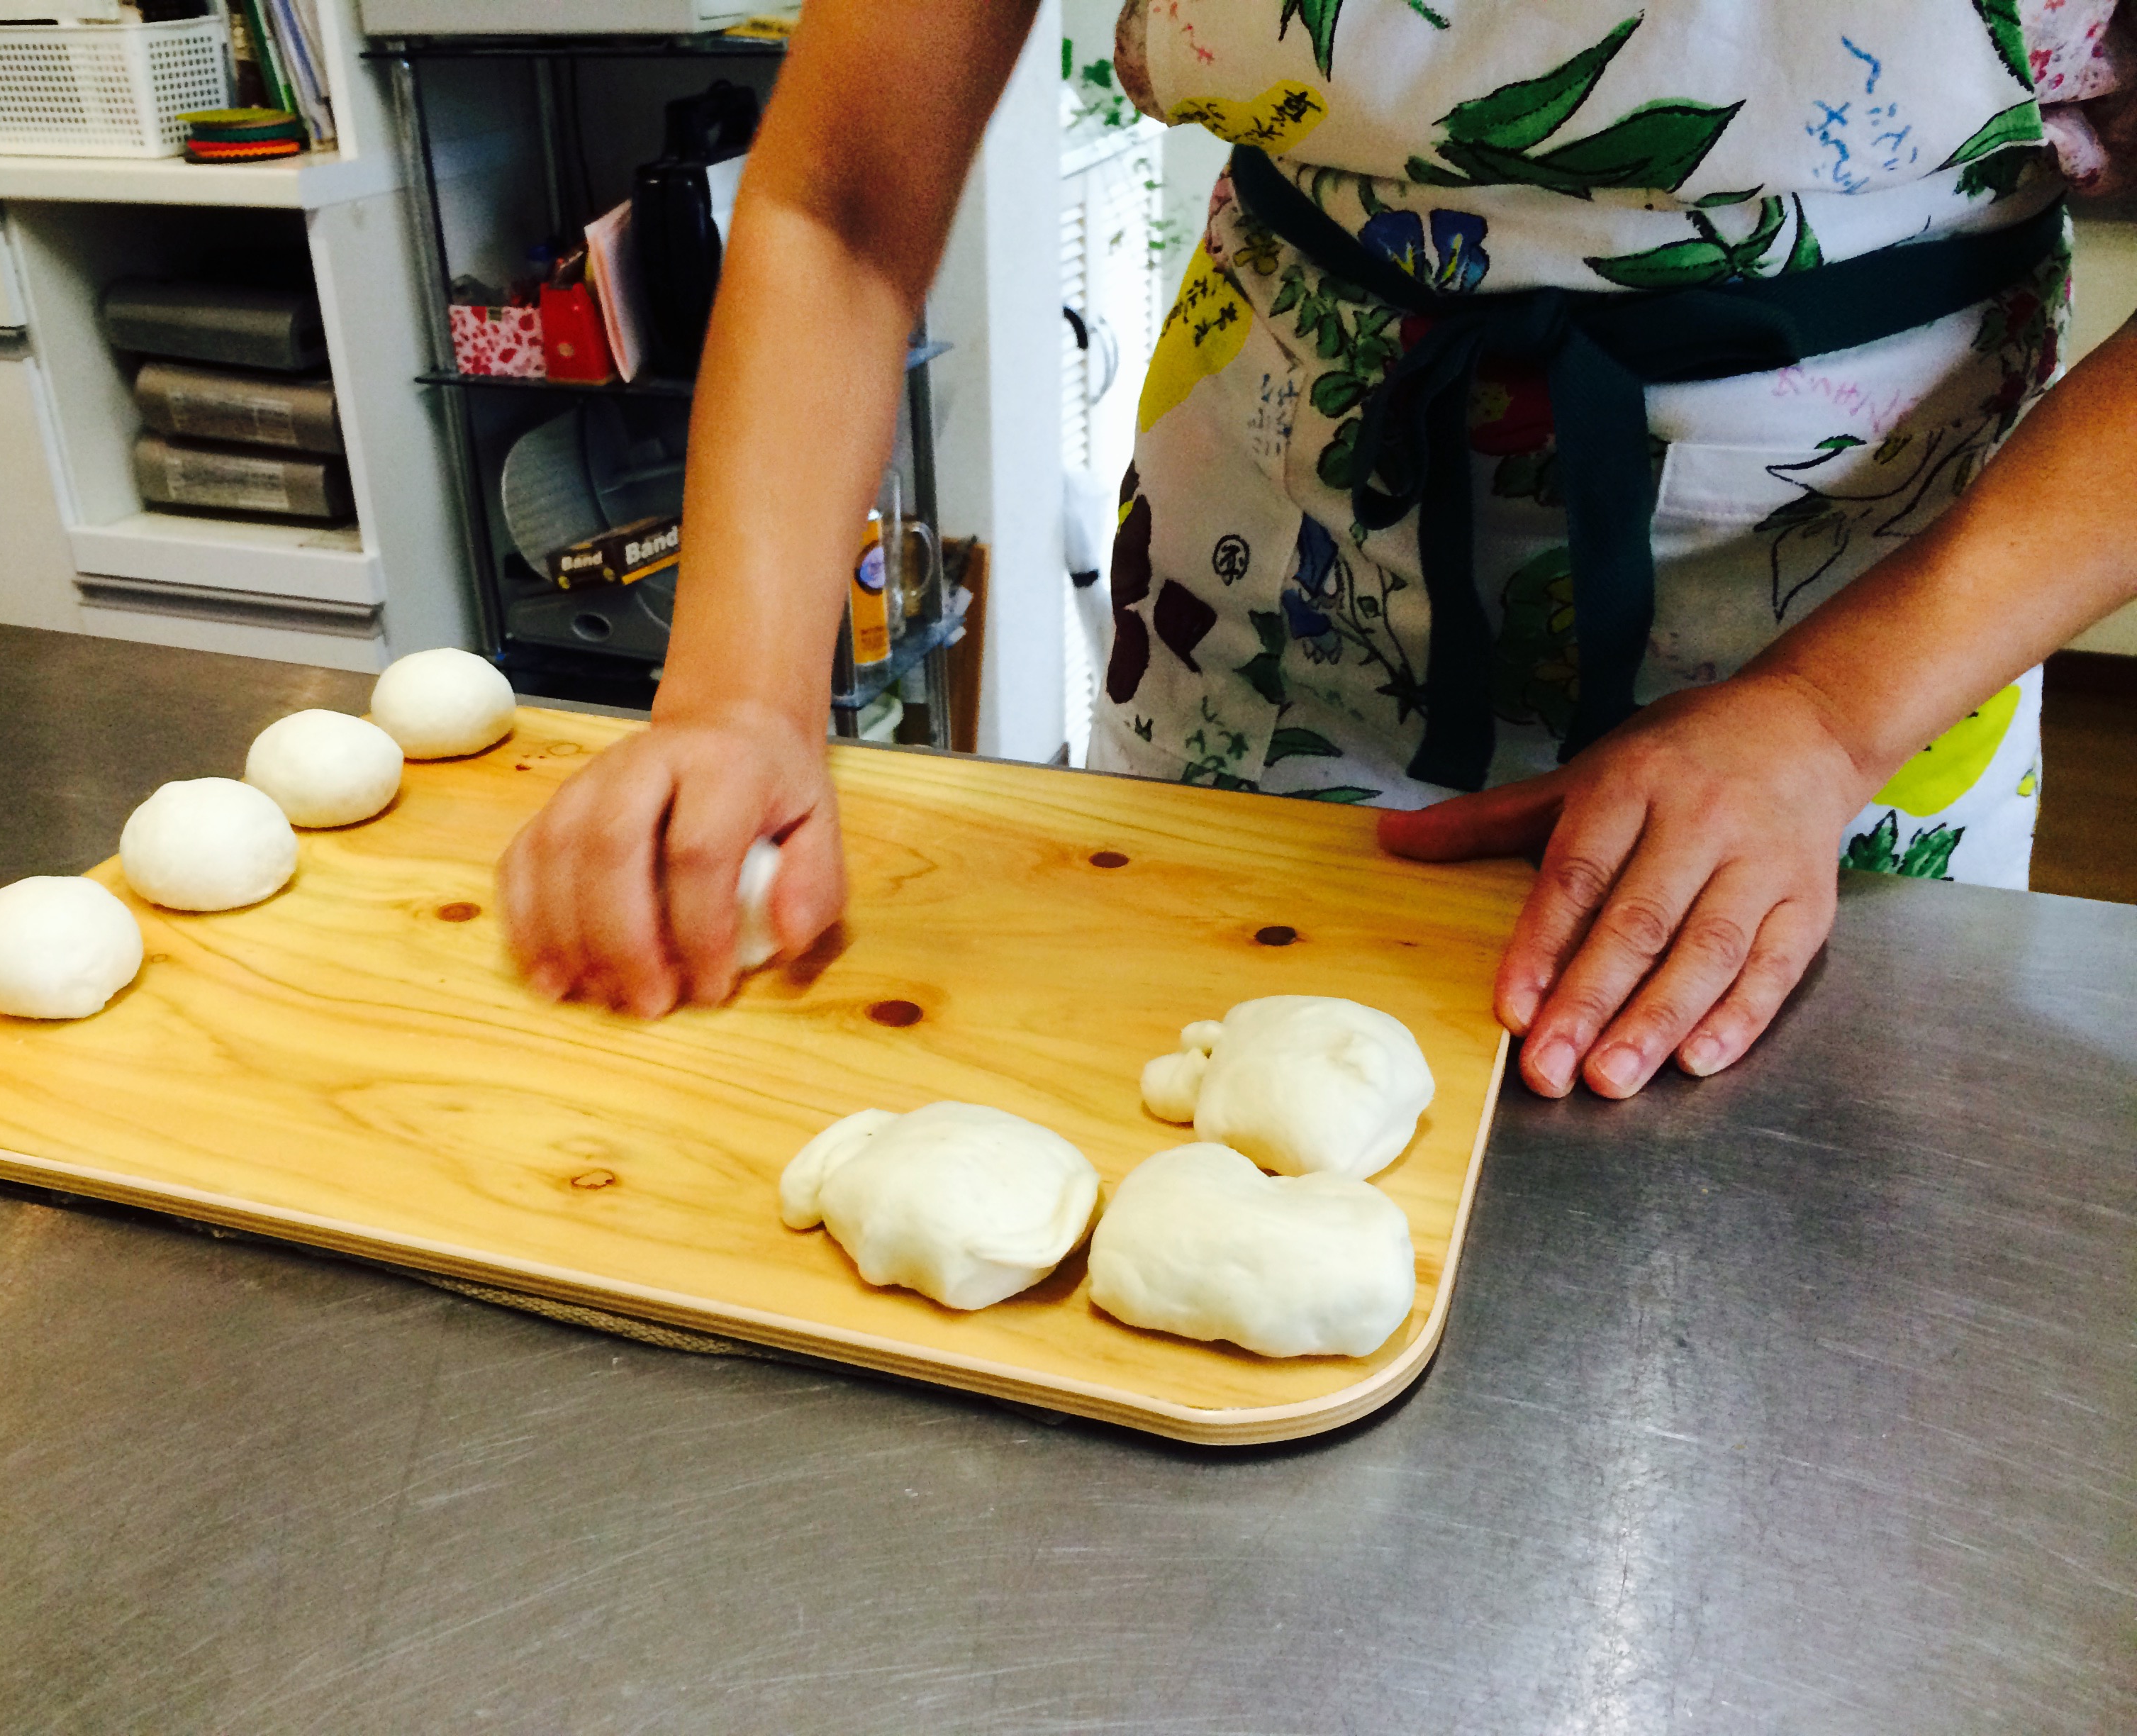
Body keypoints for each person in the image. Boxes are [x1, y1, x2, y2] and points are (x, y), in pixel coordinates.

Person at [498, 0, 2137, 1100]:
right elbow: (841, 202)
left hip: (1880, 613)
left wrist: (1831, 719)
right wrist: (740, 694)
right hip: (1265, 585)